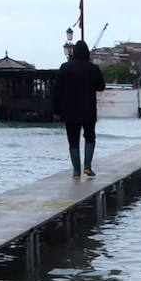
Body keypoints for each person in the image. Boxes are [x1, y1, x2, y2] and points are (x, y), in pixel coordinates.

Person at [52, 40, 105, 178]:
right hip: (88, 109)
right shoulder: (93, 68)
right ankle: (87, 166)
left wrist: (56, 110)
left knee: (73, 140)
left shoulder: (65, 68)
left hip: (69, 110)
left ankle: (76, 172)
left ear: (74, 52)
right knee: (90, 137)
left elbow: (57, 90)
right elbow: (101, 86)